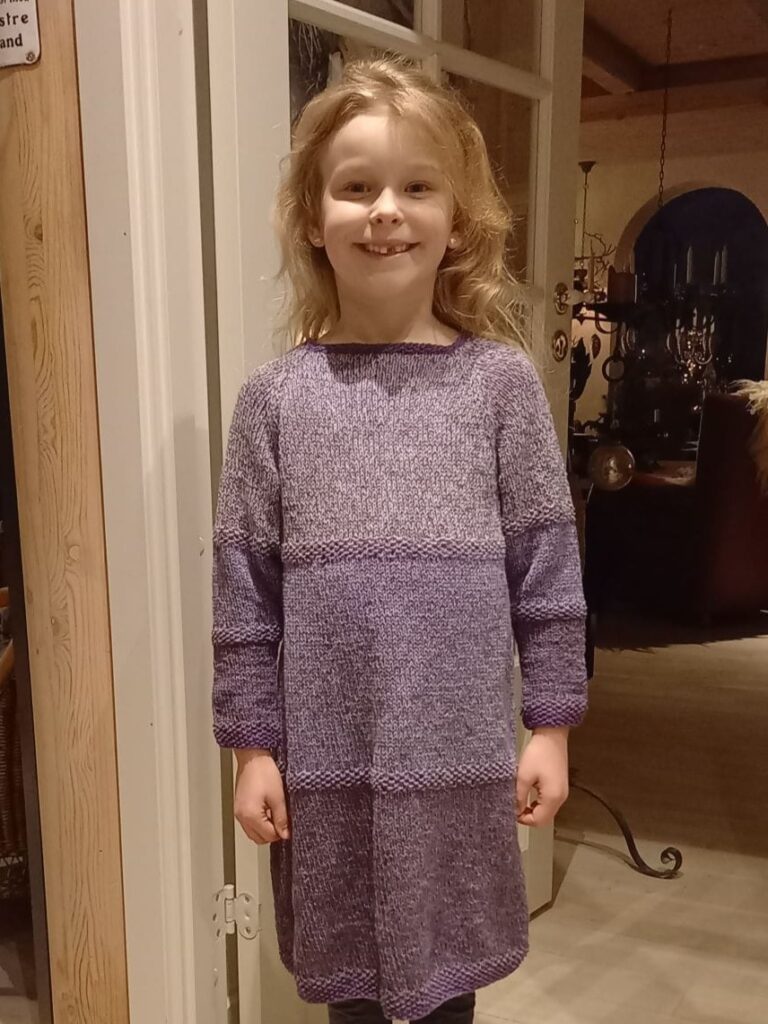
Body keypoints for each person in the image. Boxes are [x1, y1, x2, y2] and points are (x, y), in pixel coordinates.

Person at [211, 55, 589, 1024]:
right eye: (357, 187)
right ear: (313, 217)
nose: (386, 211)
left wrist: (550, 726)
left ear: (458, 219)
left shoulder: (500, 386)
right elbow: (244, 595)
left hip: (461, 764)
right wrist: (251, 748)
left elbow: (547, 577)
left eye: (417, 187)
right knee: (350, 991)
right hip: (326, 769)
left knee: (447, 990)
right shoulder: (274, 401)